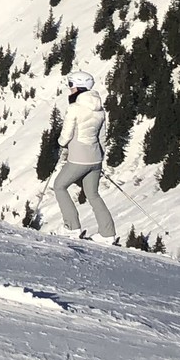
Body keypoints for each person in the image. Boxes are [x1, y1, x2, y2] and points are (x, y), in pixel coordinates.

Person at [52, 70, 116, 239]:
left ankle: (72, 227)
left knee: (59, 186)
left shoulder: (75, 108)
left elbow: (65, 136)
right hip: (96, 159)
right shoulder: (100, 110)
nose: (70, 89)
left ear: (79, 87)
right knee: (93, 194)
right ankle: (107, 234)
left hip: (78, 158)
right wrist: (99, 160)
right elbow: (102, 138)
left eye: (71, 85)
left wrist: (60, 143)